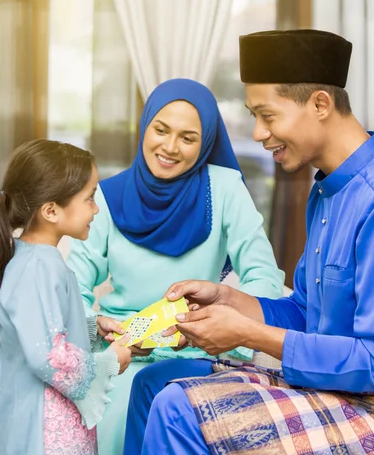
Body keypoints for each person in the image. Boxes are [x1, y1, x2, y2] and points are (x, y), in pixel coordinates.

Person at [124, 29, 374, 455]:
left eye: (268, 115)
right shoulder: (325, 192)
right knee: (155, 381)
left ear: (320, 104)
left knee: (178, 408)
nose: (258, 133)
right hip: (327, 388)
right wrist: (228, 301)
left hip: (362, 404)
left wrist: (251, 334)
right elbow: (305, 312)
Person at [66, 77, 285, 454]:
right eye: (161, 130)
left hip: (200, 351)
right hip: (122, 352)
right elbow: (71, 285)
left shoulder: (226, 188)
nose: (169, 147)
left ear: (206, 144)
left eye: (187, 138)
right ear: (144, 126)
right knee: (111, 418)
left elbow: (264, 274)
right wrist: (94, 326)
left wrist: (229, 324)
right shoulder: (108, 194)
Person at [0, 139, 132, 455]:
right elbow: (49, 357)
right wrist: (111, 360)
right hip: (47, 437)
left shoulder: (33, 259)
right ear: (51, 210)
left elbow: (44, 327)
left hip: (39, 429)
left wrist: (93, 328)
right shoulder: (40, 267)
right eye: (89, 199)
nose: (96, 208)